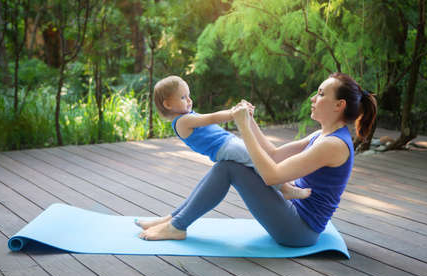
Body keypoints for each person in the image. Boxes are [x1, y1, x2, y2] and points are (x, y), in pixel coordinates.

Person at [137, 72, 377, 247]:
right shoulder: (323, 134)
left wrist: (243, 128)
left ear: (339, 105)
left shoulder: (332, 145)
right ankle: (173, 220)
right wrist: (249, 121)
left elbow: (271, 175)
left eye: (321, 94)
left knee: (228, 167)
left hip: (299, 230)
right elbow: (273, 155)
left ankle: (177, 226)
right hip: (292, 212)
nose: (313, 98)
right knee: (227, 165)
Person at [146, 75, 311, 200]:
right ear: (168, 104)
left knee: (259, 156)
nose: (189, 100)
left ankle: (285, 182)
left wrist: (239, 112)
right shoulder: (182, 122)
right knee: (256, 159)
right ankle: (285, 189)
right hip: (223, 148)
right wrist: (234, 113)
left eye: (189, 95)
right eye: (183, 98)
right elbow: (211, 118)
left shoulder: (187, 116)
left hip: (228, 142)